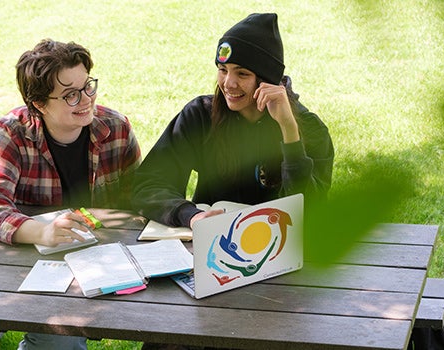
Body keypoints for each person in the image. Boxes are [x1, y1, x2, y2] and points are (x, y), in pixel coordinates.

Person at [0, 39, 141, 350]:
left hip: (82, 269)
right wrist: (43, 231)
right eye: (70, 94)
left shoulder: (116, 129)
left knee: (60, 345)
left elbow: (138, 205)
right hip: (10, 263)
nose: (85, 100)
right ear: (39, 104)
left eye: (88, 86)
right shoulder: (11, 134)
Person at [132, 13, 335, 231]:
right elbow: (148, 184)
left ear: (267, 79)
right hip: (210, 244)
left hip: (281, 248)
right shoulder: (201, 116)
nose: (228, 83)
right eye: (223, 70)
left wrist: (289, 131)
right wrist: (190, 216)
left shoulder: (310, 128)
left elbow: (310, 212)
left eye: (242, 73)